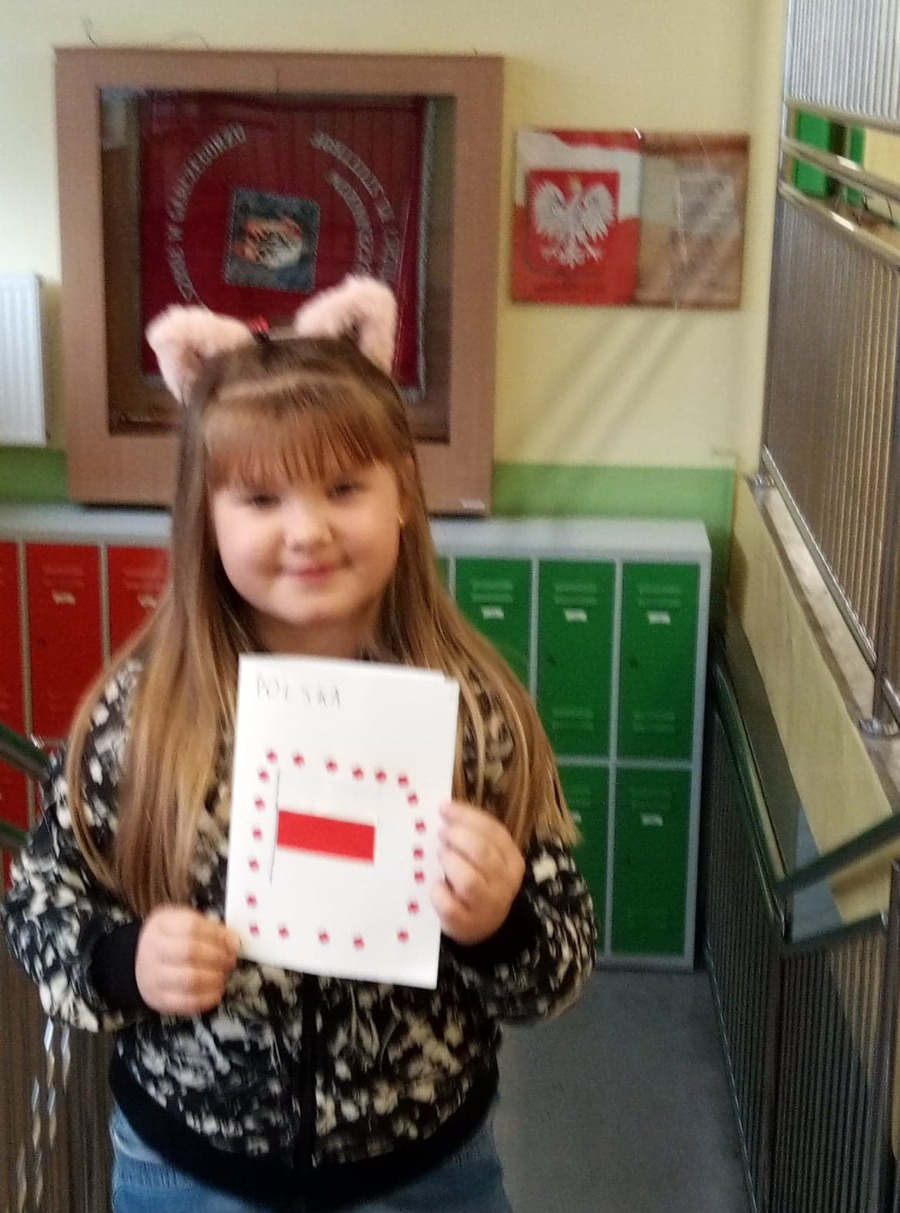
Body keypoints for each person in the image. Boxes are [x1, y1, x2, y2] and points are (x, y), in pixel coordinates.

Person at [2, 276, 597, 1213]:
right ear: (206, 519)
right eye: (261, 497)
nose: (308, 529)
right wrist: (127, 964)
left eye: (344, 487)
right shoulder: (144, 714)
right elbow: (40, 903)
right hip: (187, 1168)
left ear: (403, 497)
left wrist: (501, 921)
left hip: (425, 1169)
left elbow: (558, 964)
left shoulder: (480, 716)